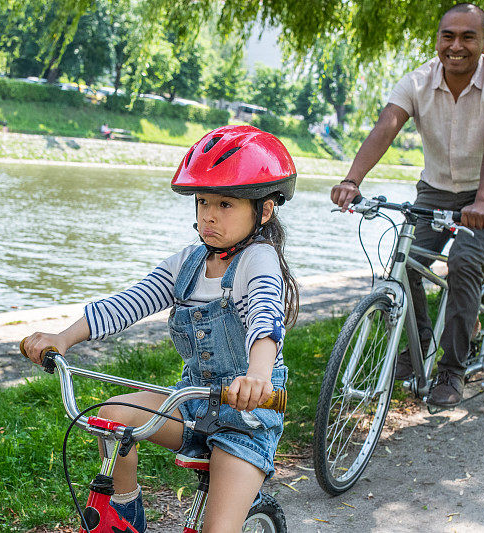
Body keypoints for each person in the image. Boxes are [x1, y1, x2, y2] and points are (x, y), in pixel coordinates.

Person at [21, 125, 299, 533]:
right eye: (203, 201)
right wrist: (64, 337)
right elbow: (127, 303)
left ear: (265, 210)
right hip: (192, 404)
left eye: (225, 204)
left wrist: (258, 376)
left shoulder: (258, 260)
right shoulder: (186, 263)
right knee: (111, 418)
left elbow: (265, 318)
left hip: (248, 419)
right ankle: (124, 517)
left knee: (217, 529)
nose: (208, 215)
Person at [331, 3, 484, 407]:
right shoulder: (418, 80)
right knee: (405, 260)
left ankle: (452, 369)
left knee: (464, 262)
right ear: (437, 40)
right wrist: (353, 180)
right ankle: (418, 343)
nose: (456, 46)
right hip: (436, 189)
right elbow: (386, 126)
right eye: (447, 36)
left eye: (467, 37)